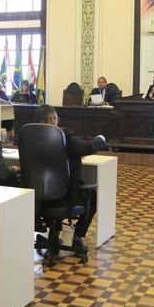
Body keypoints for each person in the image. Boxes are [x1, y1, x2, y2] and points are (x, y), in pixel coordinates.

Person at [34, 105, 106, 255]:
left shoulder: (30, 136)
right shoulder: (63, 134)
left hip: (39, 197)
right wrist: (100, 140)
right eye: (57, 118)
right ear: (53, 118)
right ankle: (76, 235)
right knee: (94, 196)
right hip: (68, 196)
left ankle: (54, 233)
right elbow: (86, 148)